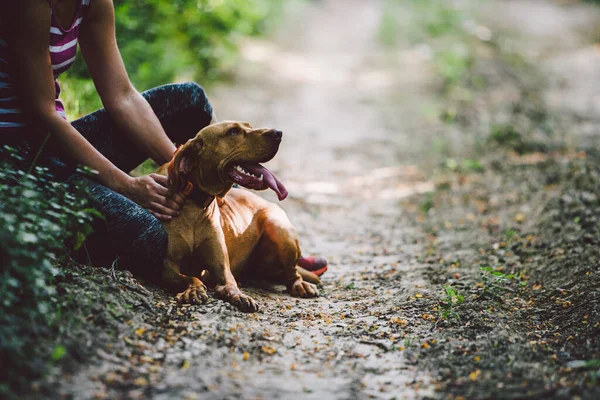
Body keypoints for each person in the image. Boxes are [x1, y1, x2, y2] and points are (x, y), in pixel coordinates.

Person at [0, 0, 215, 277]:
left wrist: (182, 170)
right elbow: (42, 116)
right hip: (13, 159)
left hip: (50, 147)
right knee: (150, 238)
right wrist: (126, 186)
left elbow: (122, 96)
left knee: (191, 101)